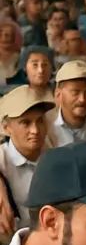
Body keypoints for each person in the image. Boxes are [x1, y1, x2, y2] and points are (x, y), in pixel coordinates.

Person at [0, 86, 54, 235]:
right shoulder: (2, 161)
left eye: (40, 121)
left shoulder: (54, 159)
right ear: (6, 128)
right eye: (25, 123)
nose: (35, 130)